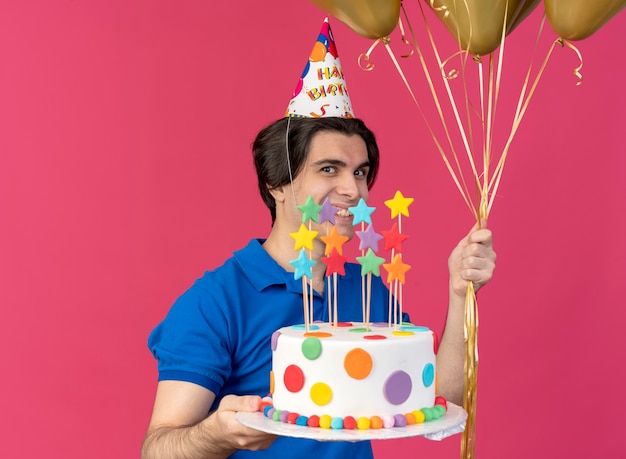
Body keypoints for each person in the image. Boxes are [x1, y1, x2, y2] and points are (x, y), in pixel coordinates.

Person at [142, 19, 496, 459]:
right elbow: (158, 449)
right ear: (278, 184)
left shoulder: (366, 290)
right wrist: (216, 433)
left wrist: (461, 295)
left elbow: (440, 401)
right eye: (329, 169)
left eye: (361, 172)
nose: (354, 189)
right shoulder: (216, 301)